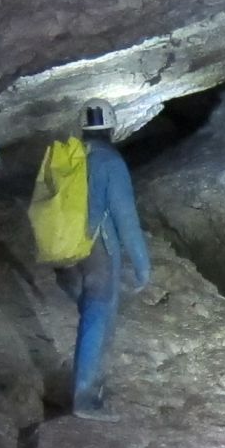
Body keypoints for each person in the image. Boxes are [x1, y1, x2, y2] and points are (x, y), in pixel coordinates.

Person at [57, 104, 152, 421]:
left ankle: (89, 387)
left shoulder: (72, 156)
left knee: (90, 310)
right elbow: (126, 217)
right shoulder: (109, 160)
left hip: (67, 244)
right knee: (99, 312)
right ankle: (84, 397)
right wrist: (142, 266)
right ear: (112, 127)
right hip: (97, 245)